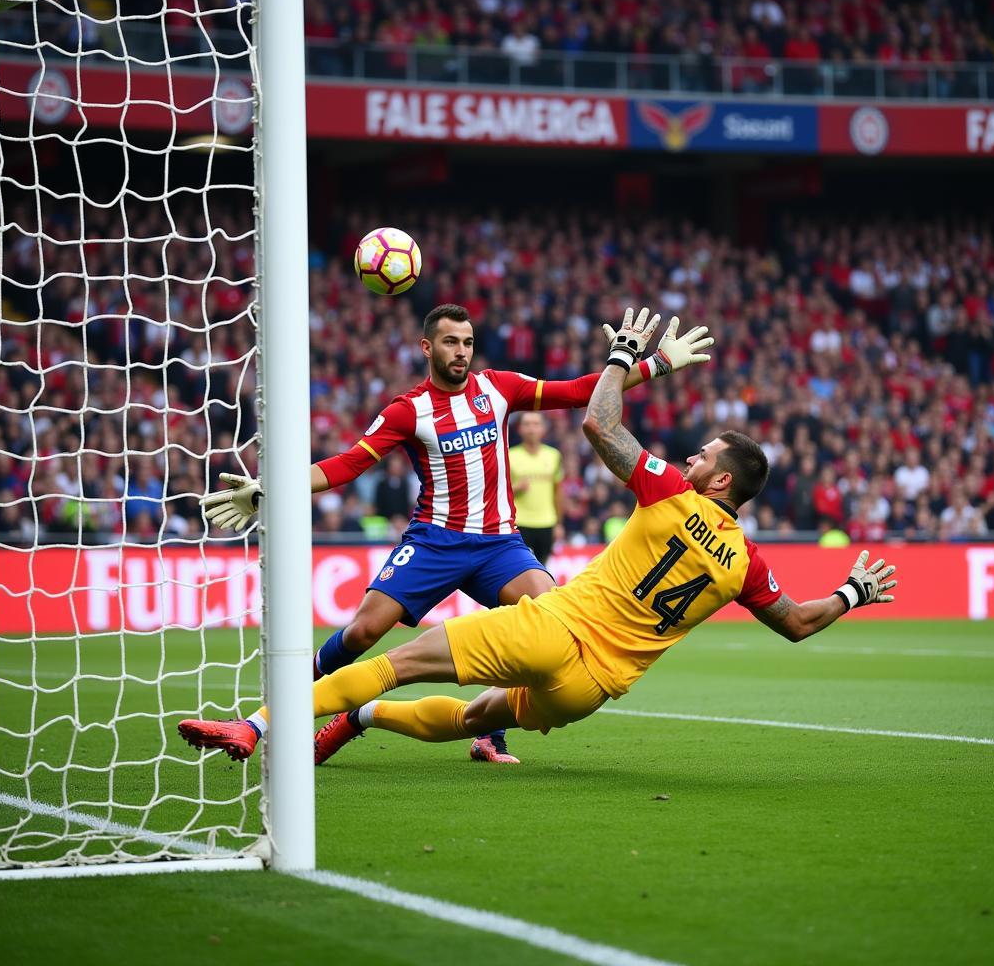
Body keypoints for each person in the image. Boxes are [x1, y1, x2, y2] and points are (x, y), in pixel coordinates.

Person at [180, 309, 897, 765]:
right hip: (570, 665)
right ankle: (358, 718)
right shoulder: (744, 560)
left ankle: (262, 723)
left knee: (409, 659)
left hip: (507, 556)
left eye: (702, 455)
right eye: (451, 341)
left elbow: (587, 408)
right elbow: (799, 622)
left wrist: (630, 360)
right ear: (427, 345)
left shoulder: (656, 483)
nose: (689, 457)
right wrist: (853, 590)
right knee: (387, 645)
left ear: (715, 482)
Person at [190, 303, 683, 765]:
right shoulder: (408, 410)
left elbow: (579, 391)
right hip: (434, 542)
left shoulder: (499, 388)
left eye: (467, 342)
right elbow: (347, 465)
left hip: (499, 547)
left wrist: (655, 364)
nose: (461, 352)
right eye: (450, 342)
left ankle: (489, 733)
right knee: (363, 631)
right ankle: (281, 708)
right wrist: (270, 487)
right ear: (428, 348)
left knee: (544, 618)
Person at [508, 411, 563, 566]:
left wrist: (559, 524)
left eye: (536, 424)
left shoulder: (553, 455)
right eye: (527, 424)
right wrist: (515, 487)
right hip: (520, 523)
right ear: (519, 429)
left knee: (543, 567)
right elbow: (498, 493)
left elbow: (558, 492)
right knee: (521, 569)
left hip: (547, 522)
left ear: (543, 429)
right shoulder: (510, 456)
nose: (531, 429)